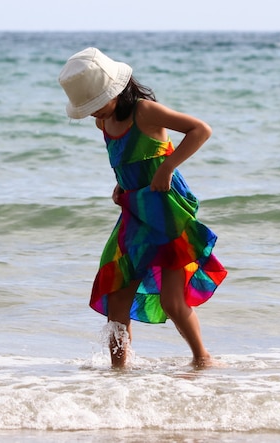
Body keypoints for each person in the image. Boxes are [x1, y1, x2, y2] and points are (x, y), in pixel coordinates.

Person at [58, 48, 227, 369]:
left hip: (166, 214)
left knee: (173, 302)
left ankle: (203, 358)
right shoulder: (104, 123)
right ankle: (119, 371)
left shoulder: (145, 111)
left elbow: (200, 130)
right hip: (133, 215)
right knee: (116, 296)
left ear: (116, 92)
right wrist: (123, 182)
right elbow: (129, 158)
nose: (94, 114)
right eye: (88, 109)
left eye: (96, 105)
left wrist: (168, 168)